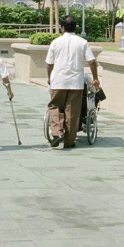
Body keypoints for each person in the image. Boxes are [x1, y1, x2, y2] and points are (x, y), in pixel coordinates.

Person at [46, 15, 100, 149]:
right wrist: (95, 78)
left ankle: (57, 132)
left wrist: (49, 77)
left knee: (55, 106)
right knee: (72, 111)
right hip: (76, 82)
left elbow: (49, 63)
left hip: (58, 80)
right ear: (75, 28)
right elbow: (92, 62)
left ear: (62, 28)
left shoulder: (55, 42)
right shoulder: (82, 42)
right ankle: (69, 142)